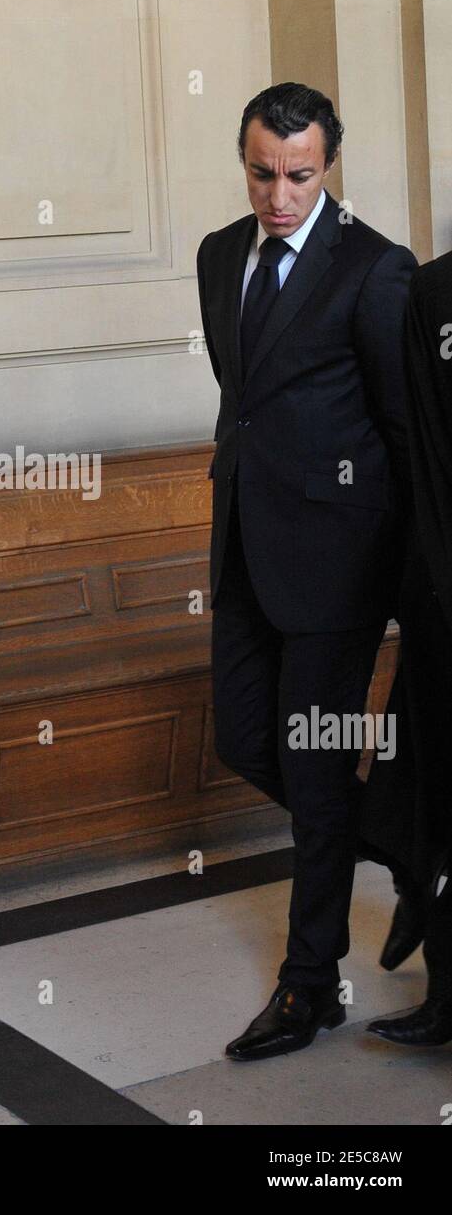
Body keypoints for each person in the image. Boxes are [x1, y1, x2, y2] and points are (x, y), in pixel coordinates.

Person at [197, 82, 416, 1061]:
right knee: (243, 739)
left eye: (297, 174)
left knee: (316, 778)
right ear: (241, 160)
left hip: (336, 566)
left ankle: (307, 984)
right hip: (243, 545)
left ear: (325, 166)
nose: (276, 195)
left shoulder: (373, 269)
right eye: (259, 172)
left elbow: (401, 427)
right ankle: (408, 844)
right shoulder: (214, 257)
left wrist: (403, 573)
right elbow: (239, 403)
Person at [363, 251, 452, 1045]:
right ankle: (446, 993)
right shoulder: (432, 290)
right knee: (437, 789)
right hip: (443, 590)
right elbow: (415, 449)